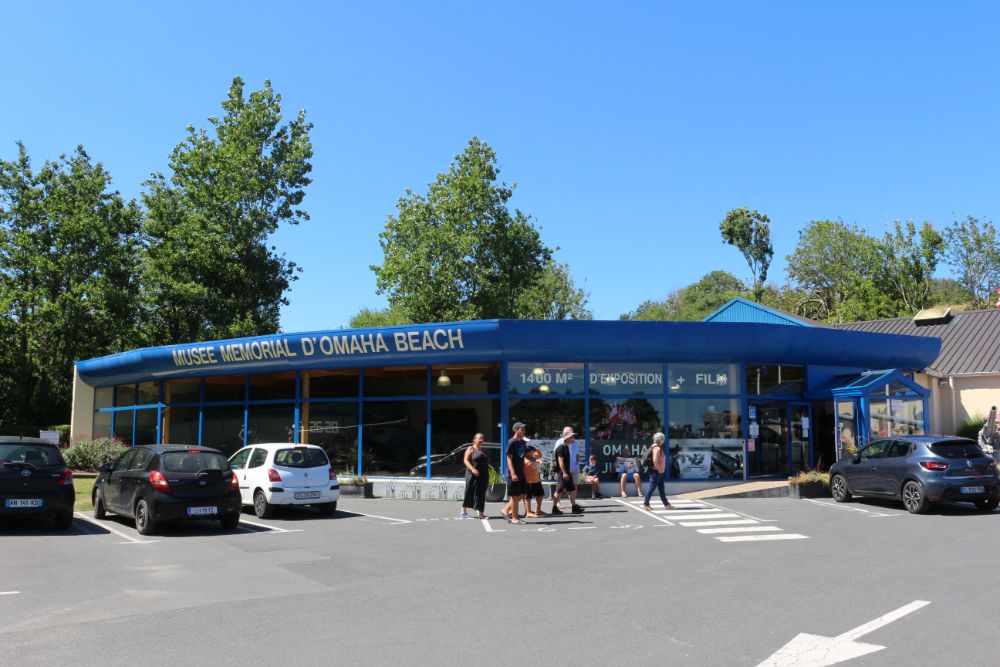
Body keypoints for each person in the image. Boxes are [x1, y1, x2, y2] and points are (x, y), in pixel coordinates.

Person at [501, 421, 528, 524]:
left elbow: (524, 455)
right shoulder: (511, 442)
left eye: (524, 429)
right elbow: (509, 458)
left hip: (521, 472)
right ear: (516, 430)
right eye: (522, 429)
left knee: (522, 495)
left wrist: (535, 460)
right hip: (514, 473)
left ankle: (505, 510)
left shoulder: (521, 442)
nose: (524, 431)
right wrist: (512, 473)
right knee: (515, 496)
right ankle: (515, 518)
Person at [551, 427, 579, 514]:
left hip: (567, 472)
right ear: (567, 438)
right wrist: (564, 472)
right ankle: (555, 508)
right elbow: (560, 461)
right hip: (563, 473)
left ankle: (574, 507)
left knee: (572, 488)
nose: (573, 438)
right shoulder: (561, 447)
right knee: (558, 490)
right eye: (571, 436)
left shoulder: (566, 446)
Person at [460, 433, 489, 519]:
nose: (481, 440)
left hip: (483, 475)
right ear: (475, 439)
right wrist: (473, 469)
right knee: (469, 491)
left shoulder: (483, 450)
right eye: (479, 438)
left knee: (481, 493)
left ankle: (481, 514)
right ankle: (463, 511)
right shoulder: (471, 448)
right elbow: (465, 460)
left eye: (482, 438)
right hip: (472, 474)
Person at [642, 432, 673, 511]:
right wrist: (659, 470)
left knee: (661, 488)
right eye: (663, 439)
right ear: (660, 440)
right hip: (656, 471)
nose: (663, 441)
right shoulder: (657, 448)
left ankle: (666, 504)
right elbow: (655, 460)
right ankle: (646, 504)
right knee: (652, 487)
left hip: (659, 471)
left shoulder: (654, 446)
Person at [522, 445, 545, 518]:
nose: (534, 452)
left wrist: (536, 449)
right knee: (528, 497)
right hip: (528, 481)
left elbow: (540, 454)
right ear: (528, 452)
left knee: (540, 495)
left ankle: (538, 510)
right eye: (532, 451)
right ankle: (528, 512)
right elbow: (535, 465)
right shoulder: (525, 460)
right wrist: (538, 461)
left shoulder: (534, 456)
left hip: (537, 480)